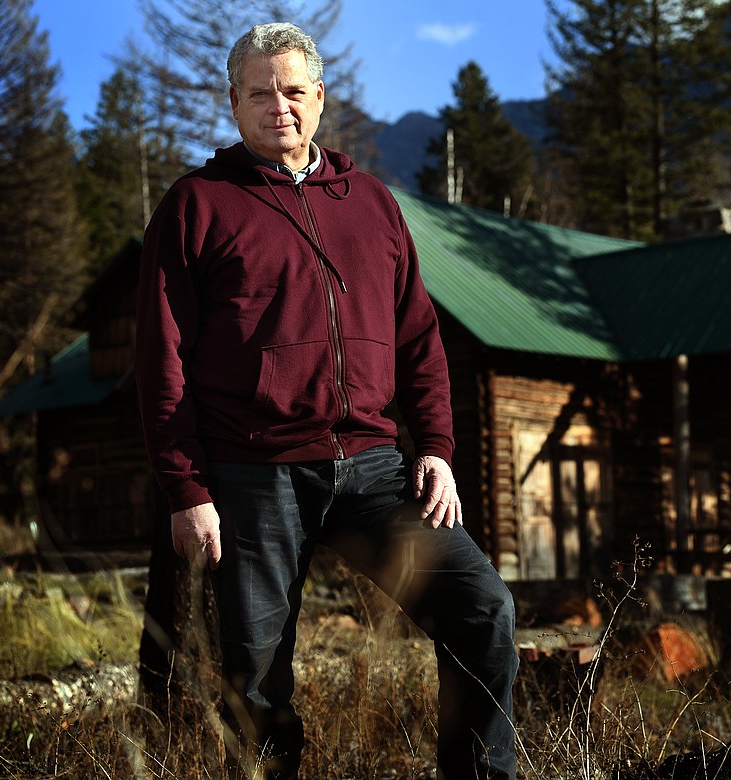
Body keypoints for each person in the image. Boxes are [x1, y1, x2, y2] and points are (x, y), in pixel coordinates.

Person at [135, 21, 518, 779]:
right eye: (258, 93)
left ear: (319, 97)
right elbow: (161, 359)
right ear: (233, 102)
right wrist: (187, 488)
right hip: (251, 475)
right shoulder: (197, 204)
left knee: (483, 611)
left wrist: (437, 449)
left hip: (373, 473)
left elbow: (419, 339)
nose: (277, 106)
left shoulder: (373, 203)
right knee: (255, 678)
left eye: (292, 90)